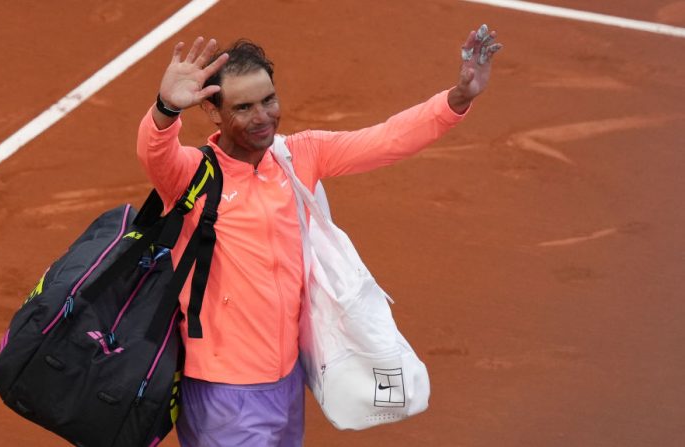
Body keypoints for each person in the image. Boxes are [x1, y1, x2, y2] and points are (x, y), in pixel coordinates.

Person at [136, 26, 502, 447]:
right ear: (214, 113)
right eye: (244, 107)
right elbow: (155, 153)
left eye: (268, 100)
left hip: (288, 381)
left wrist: (457, 99)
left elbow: (385, 139)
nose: (263, 117)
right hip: (223, 389)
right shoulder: (192, 175)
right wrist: (165, 110)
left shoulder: (297, 156)